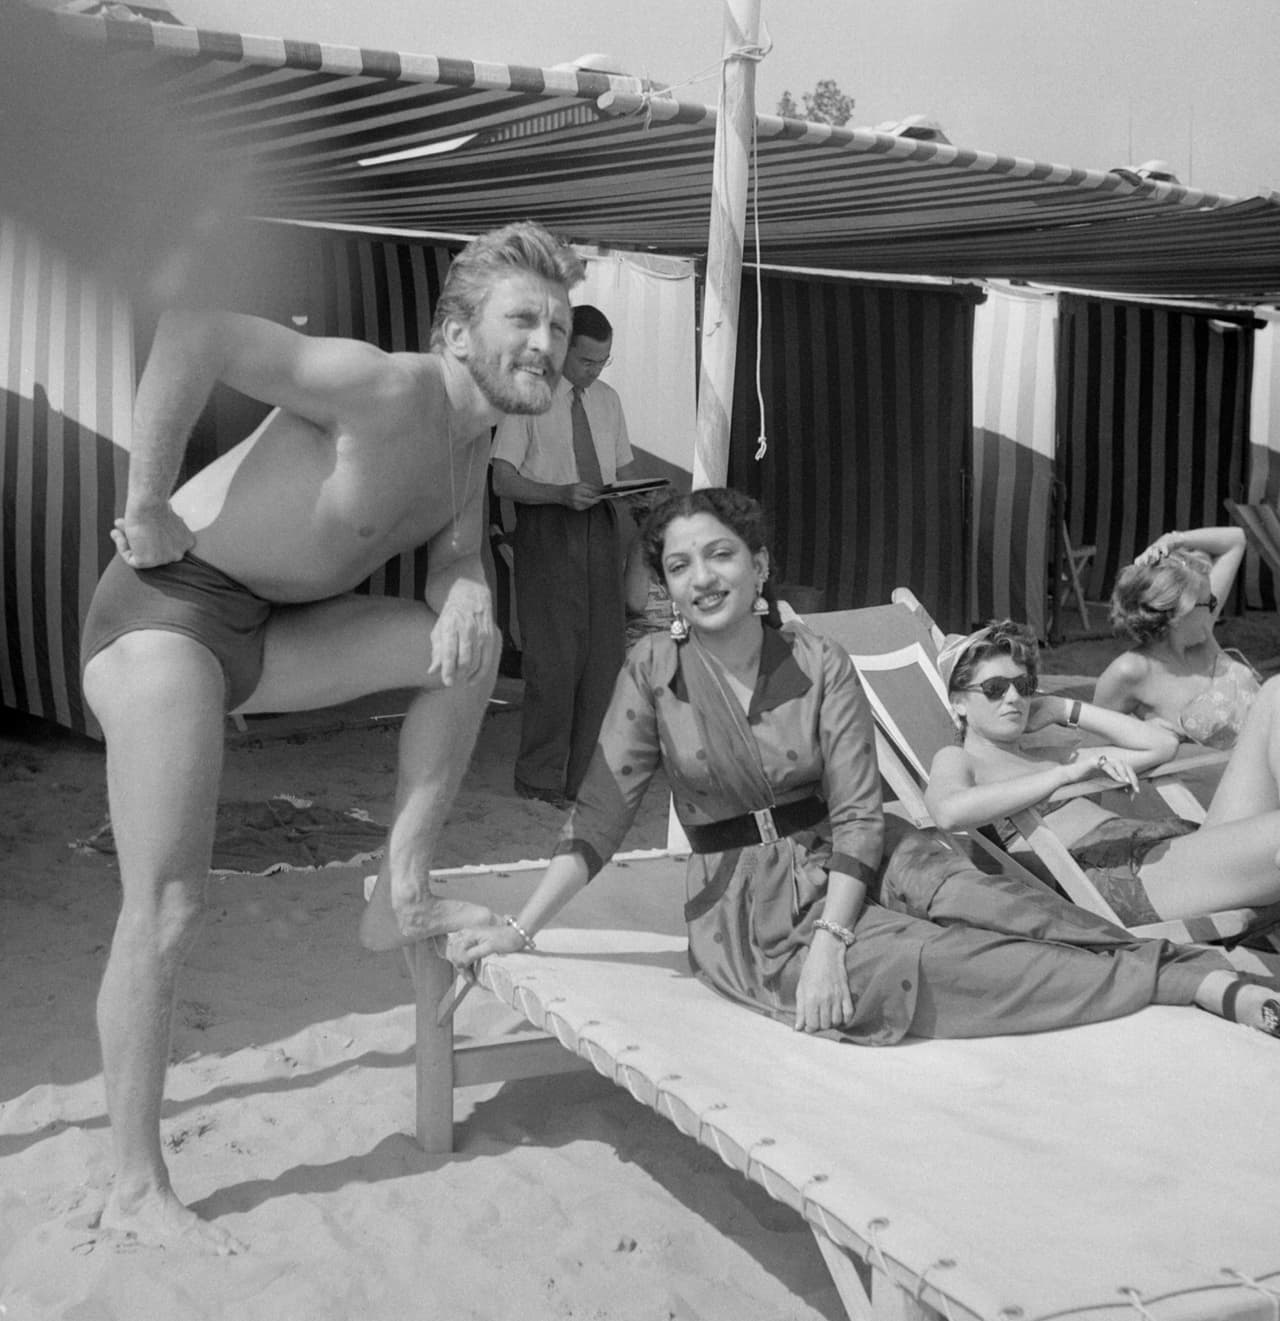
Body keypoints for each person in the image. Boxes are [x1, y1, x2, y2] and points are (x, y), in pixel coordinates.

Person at [79, 221, 585, 1253]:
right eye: (523, 318)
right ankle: (134, 1182)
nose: (547, 340)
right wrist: (144, 501)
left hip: (268, 637)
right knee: (170, 905)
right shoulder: (384, 386)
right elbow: (193, 330)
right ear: (455, 330)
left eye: (560, 322)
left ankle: (397, 885)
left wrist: (468, 588)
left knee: (470, 648)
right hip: (165, 614)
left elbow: (450, 558)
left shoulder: (472, 443)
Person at [446, 489, 1280, 1053]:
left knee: (1006, 905)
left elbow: (855, 811)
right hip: (753, 905)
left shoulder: (818, 661)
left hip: (874, 851)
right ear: (665, 584)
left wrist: (833, 934)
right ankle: (1187, 983)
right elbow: (598, 817)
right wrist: (521, 930)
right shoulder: (651, 677)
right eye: (677, 564)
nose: (702, 578)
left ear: (760, 565)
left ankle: (1177, 968)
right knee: (946, 964)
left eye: (721, 555)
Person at [926, 619, 1280, 927]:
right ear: (958, 702)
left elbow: (1159, 744)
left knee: (1274, 694)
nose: (1013, 698)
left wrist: (1061, 706)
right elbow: (947, 810)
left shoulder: (1049, 755)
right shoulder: (958, 758)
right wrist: (1063, 776)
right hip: (1124, 879)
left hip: (1166, 849)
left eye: (1024, 686)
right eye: (994, 689)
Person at [490, 304, 646, 807]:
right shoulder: (527, 398)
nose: (594, 371)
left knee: (604, 661)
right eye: (585, 361)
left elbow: (623, 470)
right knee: (554, 664)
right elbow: (502, 479)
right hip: (547, 528)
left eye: (603, 362)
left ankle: (585, 780)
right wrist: (559, 494)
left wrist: (641, 496)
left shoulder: (609, 400)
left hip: (601, 527)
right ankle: (538, 778)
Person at [1094, 526, 1261, 750]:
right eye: (1210, 603)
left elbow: (1236, 540)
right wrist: (1141, 736)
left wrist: (1172, 540)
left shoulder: (1202, 634)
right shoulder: (1130, 671)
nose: (1215, 607)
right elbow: (1092, 750)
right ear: (1180, 612)